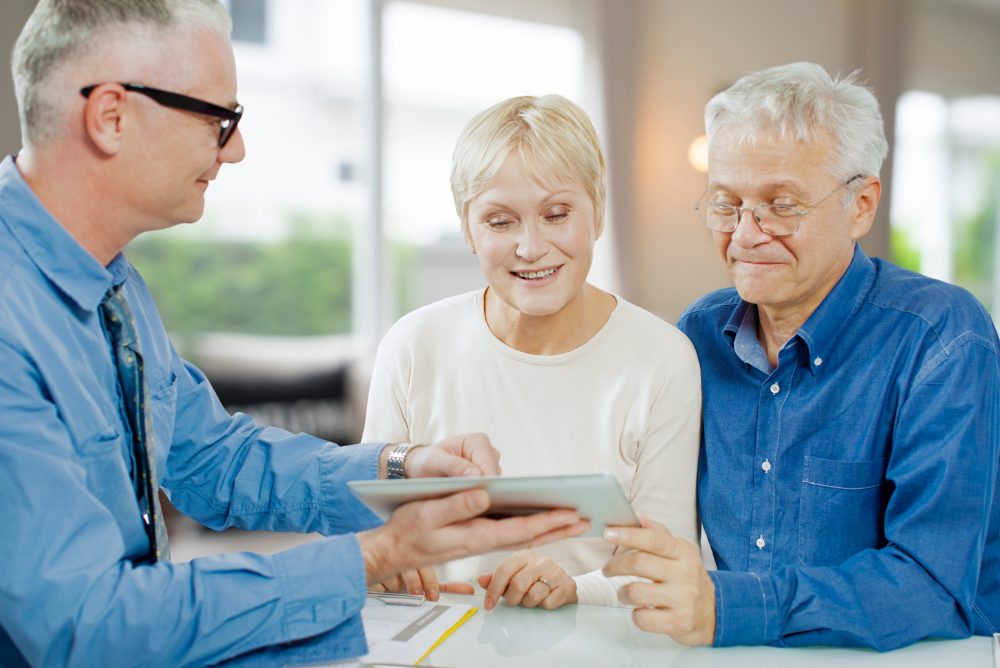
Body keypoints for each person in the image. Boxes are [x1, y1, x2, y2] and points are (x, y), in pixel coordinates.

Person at [0, 2, 589, 666]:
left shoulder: (114, 284)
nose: (238, 148)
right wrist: (380, 556)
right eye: (217, 119)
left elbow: (213, 458)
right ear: (111, 116)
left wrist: (401, 468)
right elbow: (88, 623)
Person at [602, 61, 1000, 650]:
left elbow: (932, 583)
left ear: (861, 204)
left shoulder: (942, 338)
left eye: (780, 204)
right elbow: (647, 508)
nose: (744, 235)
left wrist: (727, 606)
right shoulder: (699, 334)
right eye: (724, 203)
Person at [362, 94, 701, 611]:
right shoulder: (413, 346)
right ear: (468, 230)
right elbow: (368, 532)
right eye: (500, 221)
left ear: (598, 213)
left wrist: (572, 586)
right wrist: (381, 566)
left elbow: (663, 569)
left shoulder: (663, 359)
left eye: (556, 214)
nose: (530, 246)